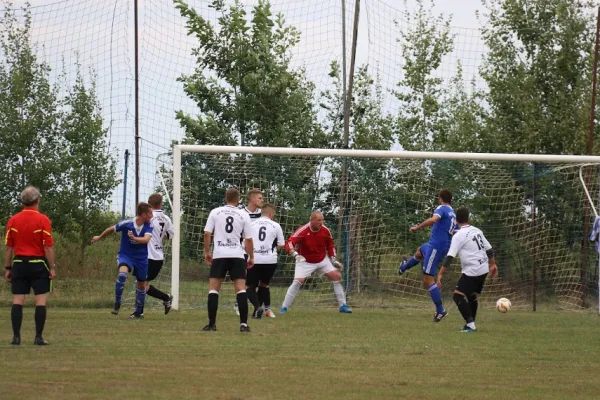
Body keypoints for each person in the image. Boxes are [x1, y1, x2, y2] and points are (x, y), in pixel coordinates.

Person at [4, 186, 55, 345]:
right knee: (40, 300)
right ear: (37, 200)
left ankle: (16, 337)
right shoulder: (43, 219)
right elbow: (47, 246)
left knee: (18, 300)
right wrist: (52, 267)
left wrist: (7, 268)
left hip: (19, 263)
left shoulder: (13, 220)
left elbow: (8, 247)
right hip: (38, 263)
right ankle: (38, 337)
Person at [437, 207, 498, 332]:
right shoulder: (477, 230)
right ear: (468, 218)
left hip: (473, 270)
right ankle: (471, 324)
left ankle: (470, 325)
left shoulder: (458, 235)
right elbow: (489, 249)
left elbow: (449, 257)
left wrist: (440, 274)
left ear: (456, 221)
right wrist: (492, 265)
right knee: (471, 295)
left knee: (457, 296)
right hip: (483, 268)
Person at [398, 189, 456, 322]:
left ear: (441, 198)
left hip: (437, 247)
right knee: (420, 251)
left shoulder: (442, 208)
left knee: (428, 279)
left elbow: (434, 219)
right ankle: (403, 267)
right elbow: (456, 231)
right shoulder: (453, 213)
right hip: (437, 245)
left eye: (438, 198)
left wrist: (417, 227)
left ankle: (440, 310)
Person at [203, 188, 255, 332]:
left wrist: (207, 252)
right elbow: (249, 239)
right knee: (240, 289)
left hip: (220, 253)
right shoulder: (243, 214)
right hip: (237, 255)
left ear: (226, 198)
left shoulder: (215, 212)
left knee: (214, 289)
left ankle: (212, 324)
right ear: (238, 200)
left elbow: (207, 234)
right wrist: (251, 256)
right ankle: (243, 324)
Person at [281, 211, 352, 314]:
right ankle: (284, 307)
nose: (321, 222)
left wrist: (333, 259)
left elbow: (330, 245)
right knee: (297, 282)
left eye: (322, 220)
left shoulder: (325, 230)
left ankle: (343, 306)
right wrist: (295, 254)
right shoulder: (303, 230)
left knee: (337, 276)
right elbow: (290, 242)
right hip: (305, 261)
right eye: (319, 220)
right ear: (312, 220)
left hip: (322, 259)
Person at [91, 202, 154, 319]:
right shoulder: (127, 224)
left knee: (141, 285)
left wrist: (134, 238)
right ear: (143, 214)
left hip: (141, 258)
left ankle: (138, 312)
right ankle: (117, 303)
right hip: (126, 255)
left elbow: (146, 240)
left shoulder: (149, 225)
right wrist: (99, 237)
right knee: (122, 275)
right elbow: (111, 229)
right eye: (150, 213)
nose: (152, 215)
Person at [247, 203, 285, 319]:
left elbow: (246, 241)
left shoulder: (251, 224)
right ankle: (257, 312)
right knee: (264, 285)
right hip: (270, 260)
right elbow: (281, 244)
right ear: (270, 213)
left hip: (255, 258)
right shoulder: (276, 225)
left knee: (249, 287)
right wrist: (271, 248)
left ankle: (258, 307)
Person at [234, 188, 264, 315]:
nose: (262, 200)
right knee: (244, 278)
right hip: (244, 250)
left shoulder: (262, 214)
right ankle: (239, 303)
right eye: (260, 198)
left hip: (261, 252)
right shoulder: (241, 213)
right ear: (252, 199)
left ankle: (258, 306)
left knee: (256, 282)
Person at [146, 193, 174, 314]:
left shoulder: (149, 217)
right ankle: (166, 298)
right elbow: (170, 235)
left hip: (149, 256)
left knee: (141, 284)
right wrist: (159, 236)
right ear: (161, 203)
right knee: (142, 285)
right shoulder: (166, 218)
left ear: (149, 204)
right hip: (158, 256)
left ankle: (138, 312)